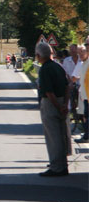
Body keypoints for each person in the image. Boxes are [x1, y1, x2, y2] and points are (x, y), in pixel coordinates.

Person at [34, 42, 71, 176]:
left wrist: (58, 107)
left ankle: (56, 166)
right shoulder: (59, 66)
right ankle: (63, 164)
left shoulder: (45, 69)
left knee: (53, 136)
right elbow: (68, 86)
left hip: (51, 104)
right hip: (62, 101)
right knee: (62, 135)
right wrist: (65, 104)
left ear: (38, 55)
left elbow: (49, 92)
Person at [70, 44, 89, 143]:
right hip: (84, 95)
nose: (80, 54)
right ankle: (86, 136)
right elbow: (74, 77)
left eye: (82, 52)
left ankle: (86, 136)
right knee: (85, 116)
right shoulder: (82, 63)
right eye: (79, 53)